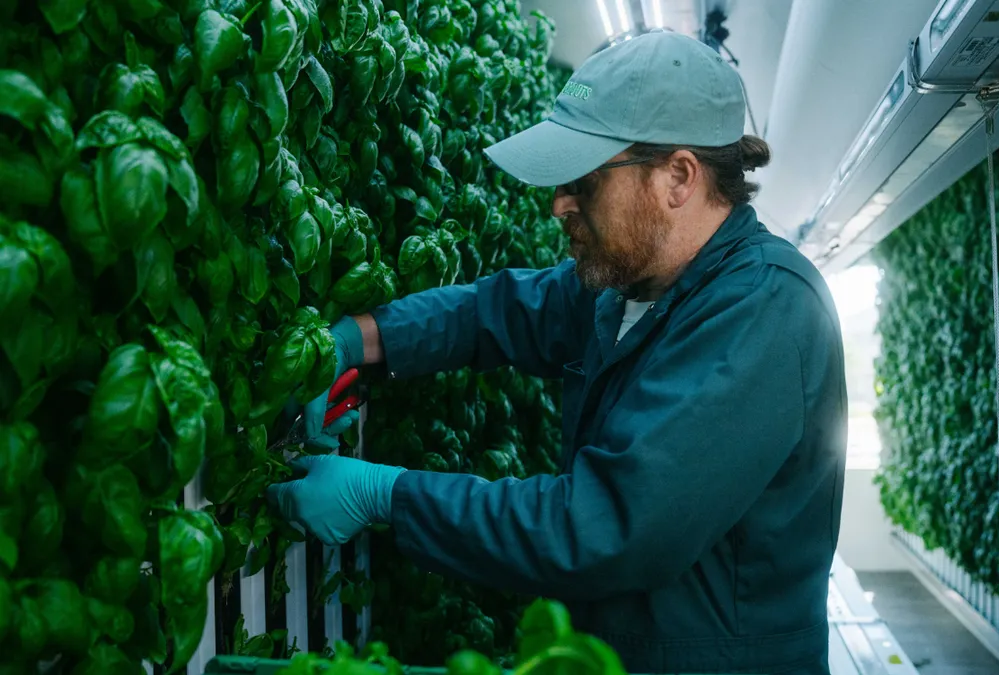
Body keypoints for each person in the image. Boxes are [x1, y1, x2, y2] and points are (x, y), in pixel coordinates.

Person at [268, 30, 848, 675]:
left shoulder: (763, 310)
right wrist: (353, 343)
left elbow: (603, 529)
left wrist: (388, 494)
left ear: (677, 178)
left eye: (586, 181)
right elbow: (497, 312)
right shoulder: (638, 281)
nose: (559, 203)